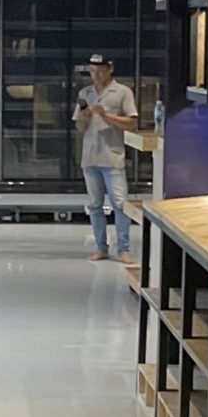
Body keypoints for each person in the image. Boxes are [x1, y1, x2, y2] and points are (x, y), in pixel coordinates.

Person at [73, 52, 138, 263]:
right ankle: (101, 247)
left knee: (120, 204)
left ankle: (124, 249)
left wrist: (106, 115)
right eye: (92, 71)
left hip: (112, 157)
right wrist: (83, 118)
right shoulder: (85, 93)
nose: (96, 75)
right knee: (94, 205)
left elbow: (131, 123)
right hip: (90, 156)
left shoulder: (122, 92)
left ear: (110, 69)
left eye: (100, 71)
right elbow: (79, 126)